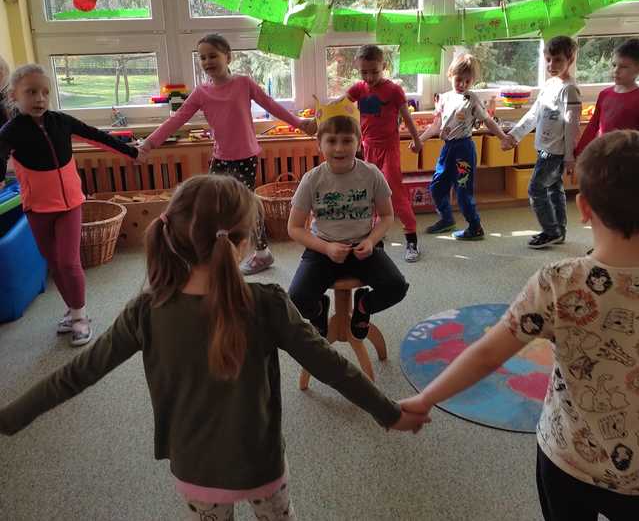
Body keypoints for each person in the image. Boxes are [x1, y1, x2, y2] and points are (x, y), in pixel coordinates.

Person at [0, 175, 429, 521]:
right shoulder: (267, 303)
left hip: (194, 470)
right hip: (260, 466)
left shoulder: (145, 311)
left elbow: (76, 374)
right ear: (241, 244)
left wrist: (10, 417)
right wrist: (389, 413)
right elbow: (332, 367)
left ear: (172, 235)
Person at [401, 130, 639, 521]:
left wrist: (426, 399)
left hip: (564, 458)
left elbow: (488, 353)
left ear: (584, 207)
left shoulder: (556, 282)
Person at [138, 33, 317, 276]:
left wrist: (300, 123)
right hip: (220, 157)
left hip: (245, 157)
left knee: (244, 205)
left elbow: (271, 105)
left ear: (228, 57)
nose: (207, 61)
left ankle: (262, 252)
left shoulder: (243, 83)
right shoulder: (201, 92)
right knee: (212, 204)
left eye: (213, 56)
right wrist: (149, 143)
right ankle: (218, 251)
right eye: (202, 57)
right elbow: (177, 119)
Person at [0, 64, 140, 346]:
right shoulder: (10, 131)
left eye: (45, 92)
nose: (40, 98)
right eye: (31, 92)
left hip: (70, 206)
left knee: (68, 261)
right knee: (55, 263)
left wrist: (133, 152)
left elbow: (97, 136)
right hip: (38, 209)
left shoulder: (61, 121)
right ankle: (73, 309)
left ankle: (80, 317)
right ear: (14, 95)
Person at [287, 114, 409, 341]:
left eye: (346, 141)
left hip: (363, 247)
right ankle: (319, 310)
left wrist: (371, 241)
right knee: (297, 297)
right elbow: (294, 228)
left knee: (397, 287)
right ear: (319, 144)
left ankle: (363, 305)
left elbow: (386, 216)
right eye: (331, 141)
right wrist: (326, 248)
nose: (339, 148)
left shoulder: (371, 174)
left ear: (359, 143)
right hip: (322, 249)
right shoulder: (312, 179)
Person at [575, 37, 639, 245]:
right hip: (604, 157)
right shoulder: (605, 94)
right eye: (614, 65)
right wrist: (579, 152)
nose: (616, 71)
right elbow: (594, 125)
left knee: (625, 201)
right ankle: (609, 243)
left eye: (623, 67)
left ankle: (638, 235)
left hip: (628, 161)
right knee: (603, 201)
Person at [345, 45, 423, 262]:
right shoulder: (359, 89)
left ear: (384, 66)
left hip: (389, 149)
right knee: (370, 192)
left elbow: (406, 117)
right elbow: (341, 104)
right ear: (358, 69)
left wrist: (417, 140)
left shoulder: (394, 90)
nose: (369, 77)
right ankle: (375, 233)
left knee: (394, 193)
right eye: (364, 72)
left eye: (375, 72)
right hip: (368, 148)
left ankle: (411, 239)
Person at [502, 36, 581, 248]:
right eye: (548, 60)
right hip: (543, 149)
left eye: (557, 60)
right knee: (554, 189)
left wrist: (570, 156)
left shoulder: (569, 89)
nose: (551, 65)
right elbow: (534, 114)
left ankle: (551, 231)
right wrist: (515, 135)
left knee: (535, 189)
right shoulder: (549, 84)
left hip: (555, 152)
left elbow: (571, 126)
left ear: (570, 59)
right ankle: (559, 231)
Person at [419, 52, 508, 240]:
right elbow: (436, 125)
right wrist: (420, 140)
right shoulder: (443, 98)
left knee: (462, 191)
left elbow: (488, 121)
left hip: (464, 150)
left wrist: (503, 137)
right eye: (459, 80)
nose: (463, 84)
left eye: (468, 81)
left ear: (472, 81)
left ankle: (475, 227)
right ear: (450, 75)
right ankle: (447, 219)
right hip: (448, 149)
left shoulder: (472, 99)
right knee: (437, 187)